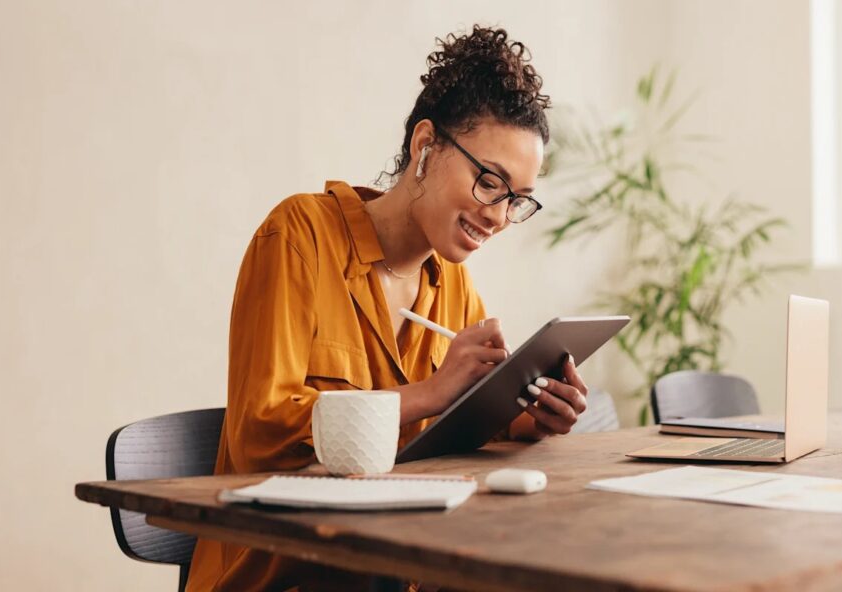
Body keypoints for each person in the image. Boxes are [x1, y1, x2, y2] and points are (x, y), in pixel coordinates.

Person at [185, 24, 590, 591]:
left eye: (517, 200)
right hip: (283, 575)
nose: (499, 216)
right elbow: (259, 430)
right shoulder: (299, 236)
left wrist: (527, 419)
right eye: (490, 182)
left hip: (400, 570)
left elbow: (442, 440)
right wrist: (430, 391)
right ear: (426, 146)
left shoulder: (452, 285)